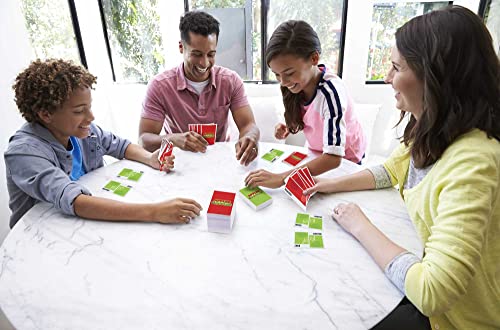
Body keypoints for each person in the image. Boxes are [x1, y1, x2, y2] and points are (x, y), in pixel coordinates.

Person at [304, 6, 500, 329]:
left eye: (397, 67)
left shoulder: (474, 161)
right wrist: (328, 184)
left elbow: (432, 292)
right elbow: (391, 171)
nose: (387, 78)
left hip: (454, 320)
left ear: (436, 76)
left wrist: (360, 225)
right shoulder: (432, 128)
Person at [5, 59, 202, 229]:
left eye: (89, 107)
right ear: (46, 114)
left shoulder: (81, 130)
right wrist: (154, 212)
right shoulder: (23, 152)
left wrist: (150, 158)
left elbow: (120, 145)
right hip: (41, 238)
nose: (91, 117)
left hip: (87, 224)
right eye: (79, 111)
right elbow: (76, 201)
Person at [244, 20, 366, 189]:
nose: (283, 82)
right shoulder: (298, 84)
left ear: (314, 58)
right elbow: (313, 116)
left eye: (289, 73)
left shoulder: (331, 93)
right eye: (277, 75)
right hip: (317, 153)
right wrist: (290, 125)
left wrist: (281, 178)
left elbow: (333, 158)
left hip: (346, 162)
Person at [139, 10, 260, 166]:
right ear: (181, 47)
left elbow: (248, 125)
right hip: (177, 163)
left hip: (220, 161)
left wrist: (250, 137)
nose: (204, 63)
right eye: (196, 54)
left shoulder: (231, 81)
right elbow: (144, 139)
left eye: (211, 54)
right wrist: (174, 139)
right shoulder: (159, 86)